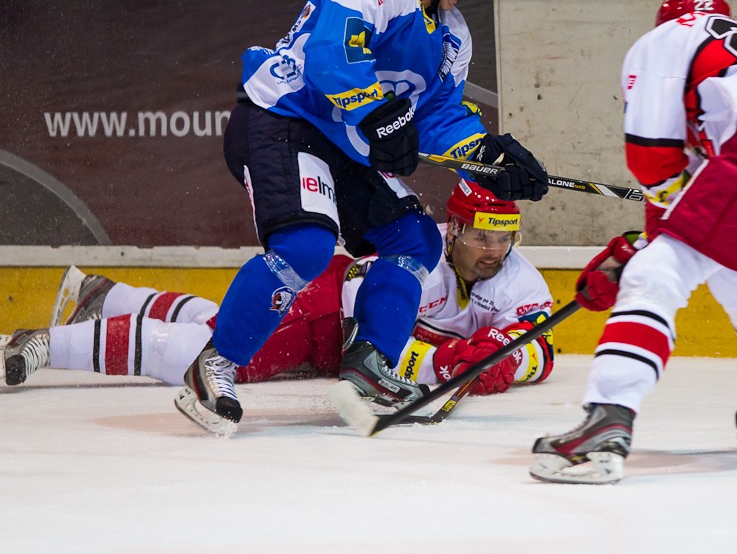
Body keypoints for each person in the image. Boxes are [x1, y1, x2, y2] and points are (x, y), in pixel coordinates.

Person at [180, 0, 549, 433]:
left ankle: (370, 366)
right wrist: (380, 115)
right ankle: (216, 362)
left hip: (346, 144)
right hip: (284, 119)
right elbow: (331, 55)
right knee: (306, 246)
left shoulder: (453, 33)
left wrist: (489, 158)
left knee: (416, 239)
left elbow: (436, 117)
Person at [528, 0, 737, 485]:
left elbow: (654, 158)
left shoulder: (668, 37)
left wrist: (641, 258)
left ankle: (605, 423)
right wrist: (646, 243)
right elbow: (699, 193)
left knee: (654, 275)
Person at [2, 181, 555, 417]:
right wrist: (440, 363)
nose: (494, 250)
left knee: (216, 320)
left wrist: (506, 358)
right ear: (454, 229)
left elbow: (540, 343)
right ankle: (46, 344)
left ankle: (109, 296)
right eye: (482, 236)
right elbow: (367, 332)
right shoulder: (417, 258)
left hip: (330, 338)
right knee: (208, 353)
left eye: (504, 238)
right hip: (324, 311)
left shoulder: (519, 278)